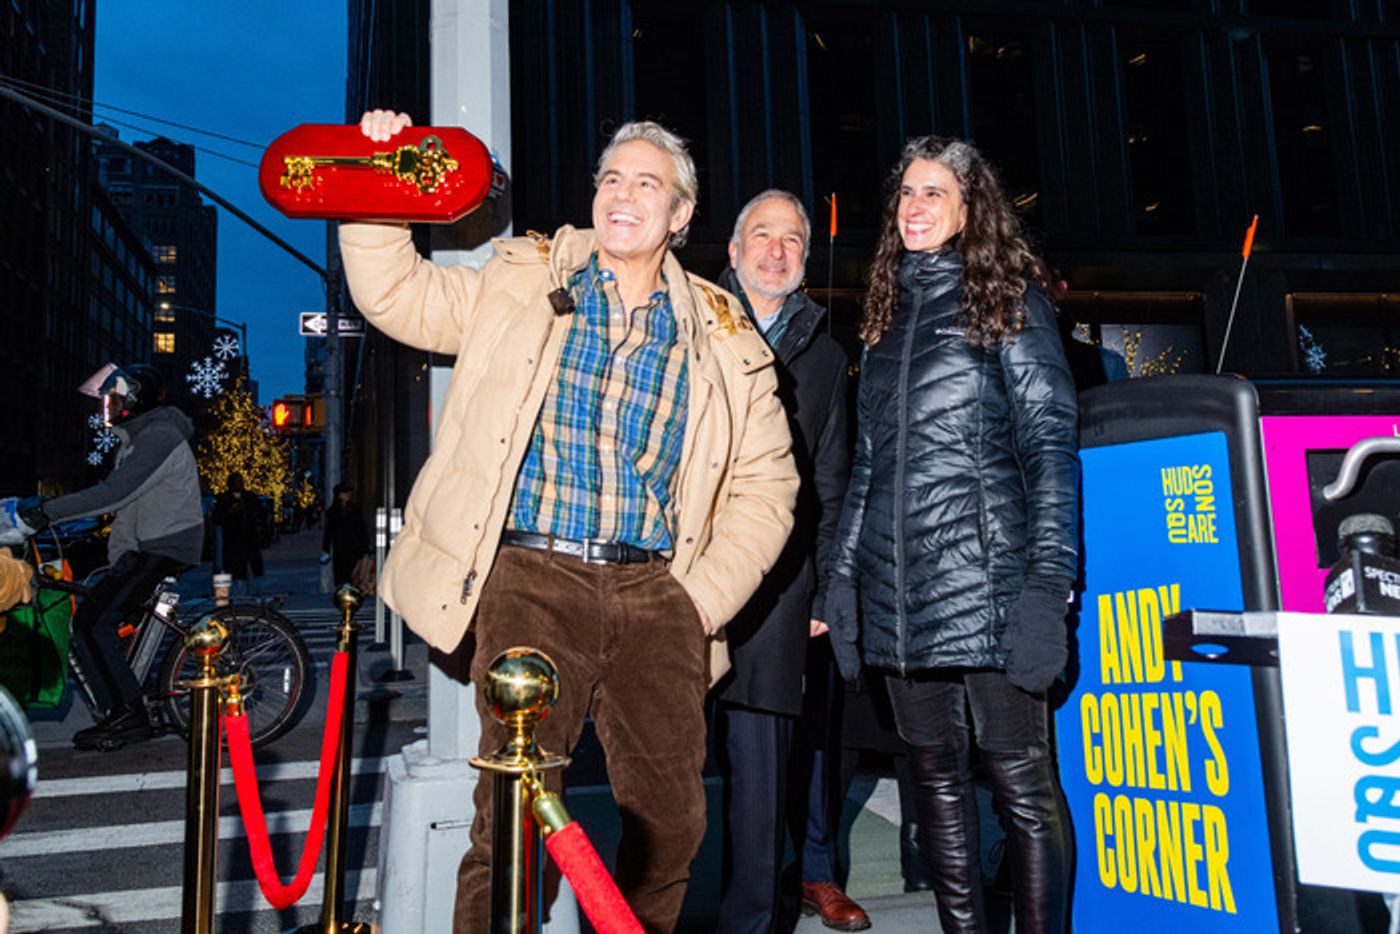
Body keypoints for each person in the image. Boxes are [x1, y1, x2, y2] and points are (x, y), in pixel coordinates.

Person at [340, 111, 798, 932]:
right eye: (612, 179)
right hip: (531, 581)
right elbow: (399, 296)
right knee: (513, 820)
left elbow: (769, 485)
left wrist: (697, 602)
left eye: (647, 183)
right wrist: (380, 177)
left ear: (681, 213)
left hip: (659, 593)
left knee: (672, 824)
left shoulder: (723, 334)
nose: (623, 195)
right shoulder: (521, 281)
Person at [826, 136, 1080, 934]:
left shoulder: (1008, 300)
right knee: (934, 779)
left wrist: (1048, 586)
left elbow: (1050, 448)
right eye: (906, 192)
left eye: (934, 192)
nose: (914, 207)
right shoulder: (886, 319)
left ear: (971, 209)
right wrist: (843, 580)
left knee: (1021, 787)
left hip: (991, 587)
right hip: (903, 598)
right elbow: (869, 466)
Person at [708, 190, 859, 932]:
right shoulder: (691, 323)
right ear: (733, 252)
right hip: (684, 577)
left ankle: (761, 914)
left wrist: (825, 592)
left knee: (767, 768)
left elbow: (832, 482)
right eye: (761, 235)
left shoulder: (826, 358)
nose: (776, 250)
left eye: (792, 239)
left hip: (779, 589)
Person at [2, 364, 204, 751]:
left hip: (165, 546)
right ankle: (129, 702)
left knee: (93, 624)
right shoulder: (137, 439)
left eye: (114, 400)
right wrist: (113, 561)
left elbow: (114, 494)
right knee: (98, 616)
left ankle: (129, 715)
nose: (106, 408)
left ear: (135, 400)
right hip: (148, 545)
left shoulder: (158, 436)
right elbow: (128, 509)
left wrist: (45, 511)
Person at [214, 472, 263, 594]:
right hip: (232, 538)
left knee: (253, 564)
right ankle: (232, 592)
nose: (239, 484)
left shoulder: (250, 497)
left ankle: (254, 590)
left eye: (240, 481)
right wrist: (230, 512)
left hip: (249, 537)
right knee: (232, 566)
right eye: (236, 481)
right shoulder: (223, 499)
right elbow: (218, 518)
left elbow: (259, 512)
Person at [320, 482, 368, 589]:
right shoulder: (332, 512)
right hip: (340, 548)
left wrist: (364, 547)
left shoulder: (355, 509)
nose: (348, 495)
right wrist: (326, 549)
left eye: (348, 492)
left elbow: (361, 528)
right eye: (345, 493)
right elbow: (328, 532)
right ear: (339, 494)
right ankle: (343, 593)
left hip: (354, 547)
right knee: (341, 575)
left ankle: (350, 592)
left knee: (353, 574)